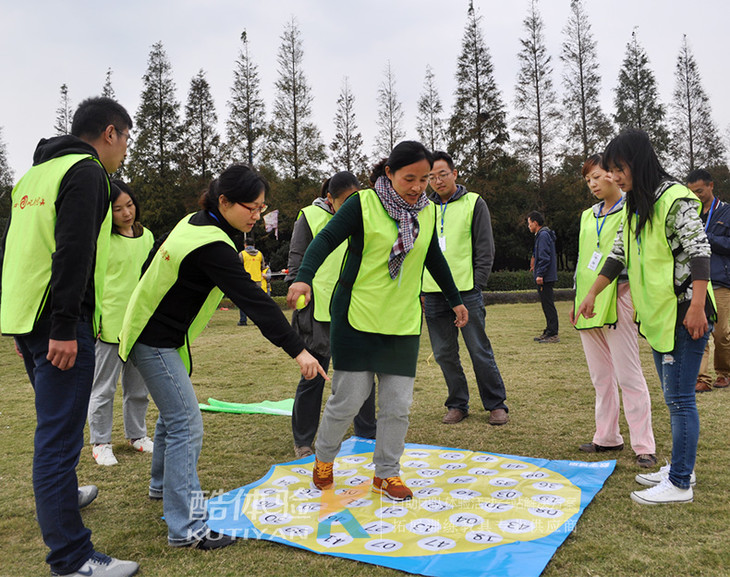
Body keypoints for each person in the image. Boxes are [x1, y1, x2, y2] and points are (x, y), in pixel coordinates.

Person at [118, 164, 326, 549]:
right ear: (225, 201)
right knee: (186, 423)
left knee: (172, 416)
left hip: (152, 332)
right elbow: (255, 301)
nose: (256, 215)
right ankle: (188, 529)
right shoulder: (213, 244)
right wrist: (299, 350)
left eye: (262, 208)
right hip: (154, 338)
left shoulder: (195, 223)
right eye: (251, 207)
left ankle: (162, 488)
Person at [0, 97, 139, 577]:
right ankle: (72, 558)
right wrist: (63, 327)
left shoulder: (32, 176)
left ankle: (64, 497)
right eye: (125, 139)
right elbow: (73, 250)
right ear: (109, 133)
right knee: (57, 439)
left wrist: (18, 324)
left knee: (55, 428)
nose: (124, 150)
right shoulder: (86, 173)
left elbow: (12, 249)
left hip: (26, 317)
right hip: (60, 324)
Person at [287, 141, 468, 502]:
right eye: (409, 178)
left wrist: (455, 300)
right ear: (389, 173)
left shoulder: (427, 212)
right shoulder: (363, 204)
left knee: (398, 406)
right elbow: (325, 239)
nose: (418, 187)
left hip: (401, 321)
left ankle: (387, 473)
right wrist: (303, 275)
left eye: (425, 179)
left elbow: (433, 256)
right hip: (357, 316)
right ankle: (324, 459)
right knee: (348, 399)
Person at [575, 128, 715, 506]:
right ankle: (678, 467)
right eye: (611, 170)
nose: (614, 177)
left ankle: (680, 482)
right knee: (674, 396)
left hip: (687, 312)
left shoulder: (675, 198)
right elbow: (619, 253)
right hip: (658, 315)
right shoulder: (638, 203)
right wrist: (591, 294)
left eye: (619, 168)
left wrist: (698, 307)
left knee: (681, 399)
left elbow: (699, 250)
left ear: (637, 162)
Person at [570, 154, 656, 468]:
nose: (593, 183)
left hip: (619, 297)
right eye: (588, 179)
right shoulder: (586, 216)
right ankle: (606, 437)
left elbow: (631, 256)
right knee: (601, 377)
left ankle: (644, 445)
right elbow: (582, 261)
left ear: (613, 174)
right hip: (588, 304)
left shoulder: (632, 210)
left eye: (597, 176)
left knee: (628, 374)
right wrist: (578, 298)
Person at [286, 172, 377, 459]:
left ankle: (366, 432)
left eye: (356, 199)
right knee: (314, 375)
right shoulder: (309, 217)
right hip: (319, 310)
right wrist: (299, 295)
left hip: (356, 308)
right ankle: (303, 440)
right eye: (345, 201)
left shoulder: (366, 214)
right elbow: (297, 257)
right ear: (330, 200)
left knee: (361, 374)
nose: (352, 206)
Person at [422, 151, 509, 426]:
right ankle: (457, 403)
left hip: (466, 291)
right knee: (444, 353)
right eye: (431, 177)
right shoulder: (423, 206)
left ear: (455, 173)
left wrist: (478, 284)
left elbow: (485, 248)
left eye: (442, 174)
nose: (437, 181)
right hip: (433, 292)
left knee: (478, 349)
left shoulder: (474, 203)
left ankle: (496, 404)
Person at [87, 181, 155, 466]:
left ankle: (136, 435)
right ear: (107, 212)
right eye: (118, 208)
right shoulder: (102, 240)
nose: (127, 212)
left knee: (138, 388)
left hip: (139, 323)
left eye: (129, 205)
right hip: (110, 324)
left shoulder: (148, 237)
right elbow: (94, 283)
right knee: (103, 388)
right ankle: (100, 442)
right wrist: (97, 320)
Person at [686, 168, 730, 392]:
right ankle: (702, 378)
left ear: (711, 186)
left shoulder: (727, 212)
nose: (696, 196)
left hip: (720, 281)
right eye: (691, 192)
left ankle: (724, 373)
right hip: (695, 280)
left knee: (721, 334)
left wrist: (707, 237)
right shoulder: (688, 214)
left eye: (700, 191)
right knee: (698, 330)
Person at [527, 211, 559, 343]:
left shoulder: (543, 235)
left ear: (535, 223)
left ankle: (552, 333)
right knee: (546, 304)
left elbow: (545, 257)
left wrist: (540, 274)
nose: (528, 226)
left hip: (546, 277)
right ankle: (549, 330)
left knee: (548, 304)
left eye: (529, 224)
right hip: (546, 276)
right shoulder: (541, 235)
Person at [237, 237, 263, 326]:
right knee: (257, 301)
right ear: (254, 245)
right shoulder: (259, 254)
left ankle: (243, 320)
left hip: (245, 280)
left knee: (243, 301)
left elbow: (238, 267)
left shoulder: (242, 254)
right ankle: (258, 320)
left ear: (245, 245)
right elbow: (263, 267)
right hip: (258, 280)